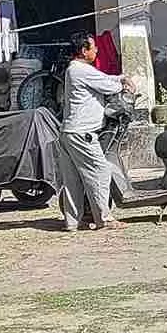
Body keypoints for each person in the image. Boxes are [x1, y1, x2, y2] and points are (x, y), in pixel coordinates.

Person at [56, 31, 135, 232]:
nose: (97, 49)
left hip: (70, 133)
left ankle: (73, 222)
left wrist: (119, 78)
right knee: (100, 171)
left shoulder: (75, 70)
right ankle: (104, 218)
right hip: (82, 134)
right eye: (93, 47)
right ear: (84, 51)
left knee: (73, 181)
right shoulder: (79, 70)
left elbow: (103, 79)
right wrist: (124, 81)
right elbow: (107, 85)